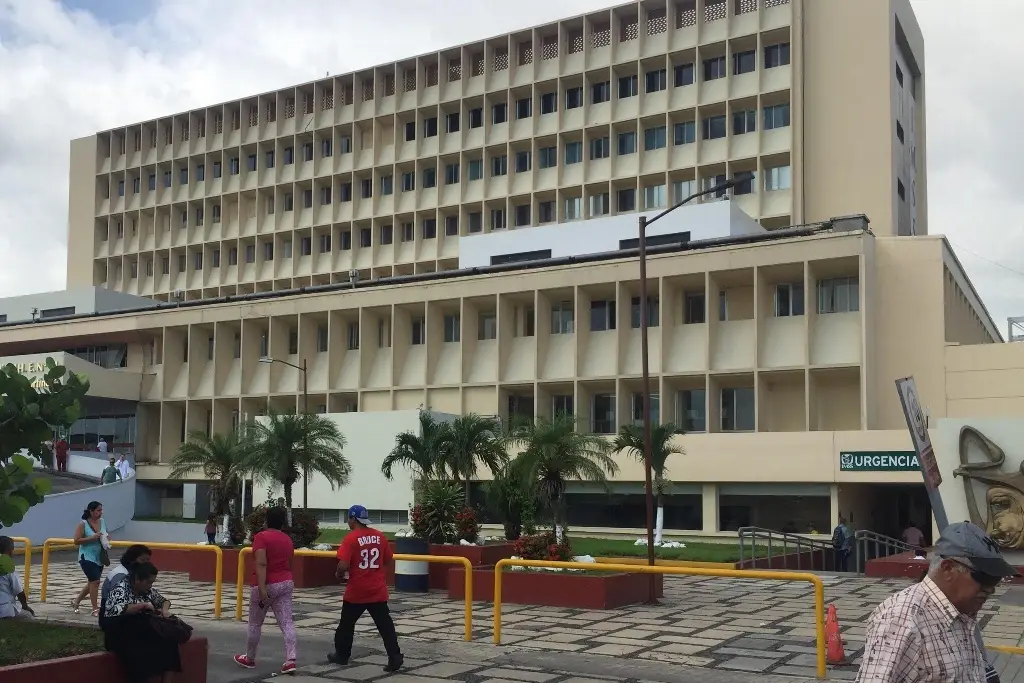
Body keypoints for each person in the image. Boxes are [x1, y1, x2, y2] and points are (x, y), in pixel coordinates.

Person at [856, 521, 1018, 682]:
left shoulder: (959, 610)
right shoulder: (901, 619)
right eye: (985, 578)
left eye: (996, 580)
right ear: (948, 568)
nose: (991, 589)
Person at [328, 504, 403, 672]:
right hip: (377, 589)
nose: (348, 521)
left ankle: (342, 655)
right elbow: (387, 560)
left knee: (346, 625)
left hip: (356, 591)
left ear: (353, 519)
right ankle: (395, 656)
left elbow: (343, 564)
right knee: (385, 626)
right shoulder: (380, 536)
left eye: (348, 518)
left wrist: (339, 575)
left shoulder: (351, 538)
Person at [234, 506, 298, 674]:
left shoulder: (261, 537)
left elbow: (261, 563)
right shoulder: (287, 539)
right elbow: (290, 563)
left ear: (267, 520)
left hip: (265, 584)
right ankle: (291, 659)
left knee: (255, 623)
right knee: (287, 623)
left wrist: (262, 588)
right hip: (285, 583)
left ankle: (249, 658)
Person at [102, 562, 182, 683]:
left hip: (142, 630)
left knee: (170, 643)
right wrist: (141, 606)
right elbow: (114, 610)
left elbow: (164, 601)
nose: (150, 585)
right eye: (149, 582)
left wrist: (165, 611)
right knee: (140, 654)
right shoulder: (120, 589)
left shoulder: (147, 590)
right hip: (121, 633)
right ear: (138, 579)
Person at [100, 544, 154, 630]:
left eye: (148, 560)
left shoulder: (132, 573)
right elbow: (118, 604)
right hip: (112, 617)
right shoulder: (121, 575)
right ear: (131, 559)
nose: (146, 564)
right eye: (143, 560)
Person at [73, 500, 108, 616]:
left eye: (101, 510)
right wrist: (91, 538)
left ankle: (76, 601)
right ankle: (95, 609)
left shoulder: (102, 521)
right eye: (98, 510)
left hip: (99, 557)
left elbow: (105, 533)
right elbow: (76, 541)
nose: (101, 512)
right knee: (95, 581)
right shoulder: (83, 524)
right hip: (86, 557)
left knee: (92, 583)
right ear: (91, 511)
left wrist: (106, 539)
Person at [0, 536, 33, 619]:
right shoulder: (8, 566)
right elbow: (19, 591)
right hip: (5, 610)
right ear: (9, 550)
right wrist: (25, 606)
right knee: (28, 616)